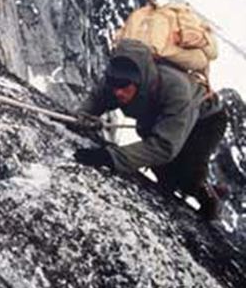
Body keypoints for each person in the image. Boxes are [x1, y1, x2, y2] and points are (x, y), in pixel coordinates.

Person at [73, 38, 227, 220]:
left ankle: (209, 199)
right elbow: (96, 99)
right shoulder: (117, 80)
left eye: (124, 88)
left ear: (139, 82)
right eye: (114, 87)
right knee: (163, 172)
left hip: (205, 122)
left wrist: (110, 157)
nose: (118, 93)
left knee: (187, 173)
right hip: (162, 115)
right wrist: (82, 117)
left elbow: (164, 147)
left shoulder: (176, 90)